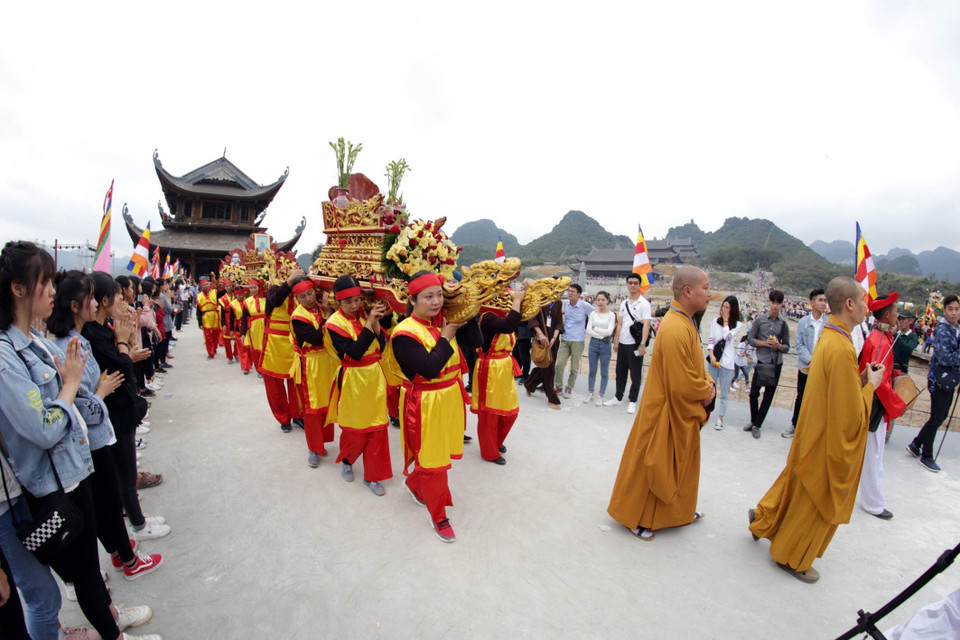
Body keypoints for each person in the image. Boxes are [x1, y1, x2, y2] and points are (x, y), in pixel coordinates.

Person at [0, 241, 160, 640]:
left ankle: (108, 618)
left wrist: (74, 391)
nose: (52, 290)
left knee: (83, 570)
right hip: (51, 481)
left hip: (74, 467)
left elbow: (80, 398)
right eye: (44, 281)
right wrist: (71, 387)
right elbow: (45, 426)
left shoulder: (33, 343)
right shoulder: (6, 355)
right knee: (74, 578)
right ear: (19, 289)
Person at [748, 276, 883, 584]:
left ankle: (764, 521)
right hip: (825, 440)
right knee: (813, 500)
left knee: (795, 485)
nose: (866, 306)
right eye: (862, 300)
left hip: (812, 430)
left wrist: (859, 379)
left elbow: (838, 387)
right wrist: (871, 386)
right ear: (849, 304)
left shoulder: (831, 337)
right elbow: (849, 415)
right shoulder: (841, 346)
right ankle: (792, 557)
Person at [49, 271, 165, 582]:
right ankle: (127, 554)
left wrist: (124, 350)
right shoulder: (75, 344)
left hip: (106, 426)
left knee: (113, 493)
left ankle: (122, 551)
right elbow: (94, 390)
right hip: (97, 431)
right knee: (112, 496)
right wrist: (124, 347)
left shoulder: (84, 338)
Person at [607, 266, 715, 541]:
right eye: (706, 288)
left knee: (682, 463)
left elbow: (694, 366)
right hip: (664, 409)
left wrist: (706, 381)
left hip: (678, 410)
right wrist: (707, 389)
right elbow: (683, 382)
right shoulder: (676, 327)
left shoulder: (685, 320)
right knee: (652, 463)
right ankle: (636, 516)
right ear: (688, 291)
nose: (710, 293)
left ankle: (679, 511)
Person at [389, 271, 481, 542]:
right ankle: (439, 516)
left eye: (440, 295)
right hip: (425, 403)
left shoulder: (443, 322)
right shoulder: (404, 333)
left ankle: (414, 483)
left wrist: (469, 312)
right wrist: (447, 334)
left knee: (436, 454)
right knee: (434, 460)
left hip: (449, 397)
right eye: (428, 297)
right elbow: (429, 369)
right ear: (413, 299)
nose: (436, 301)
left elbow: (476, 343)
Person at [83, 272, 170, 538]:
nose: (123, 297)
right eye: (120, 293)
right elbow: (118, 367)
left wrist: (126, 340)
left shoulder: (105, 328)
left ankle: (137, 518)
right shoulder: (93, 336)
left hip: (123, 407)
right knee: (124, 474)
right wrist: (124, 345)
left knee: (127, 466)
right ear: (106, 298)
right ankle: (138, 525)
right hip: (114, 410)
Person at [324, 275, 392, 495]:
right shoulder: (334, 324)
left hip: (374, 377)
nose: (355, 305)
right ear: (338, 302)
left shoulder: (365, 314)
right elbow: (354, 352)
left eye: (357, 300)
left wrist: (376, 323)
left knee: (378, 427)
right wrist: (370, 323)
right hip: (353, 377)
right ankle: (347, 460)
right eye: (348, 302)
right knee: (354, 428)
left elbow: (380, 345)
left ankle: (373, 476)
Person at [857, 292, 907, 519]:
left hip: (875, 404)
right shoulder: (879, 341)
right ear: (887, 315)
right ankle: (873, 503)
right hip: (875, 406)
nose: (898, 316)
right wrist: (897, 403)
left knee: (872, 455)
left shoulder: (879, 338)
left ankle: (873, 499)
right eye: (896, 312)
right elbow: (875, 378)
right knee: (873, 457)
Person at [471, 287, 525, 465]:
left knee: (509, 412)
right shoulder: (487, 316)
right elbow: (508, 326)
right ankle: (489, 451)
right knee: (489, 414)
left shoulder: (506, 313)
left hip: (504, 368)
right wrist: (517, 301)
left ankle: (496, 442)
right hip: (490, 369)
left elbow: (517, 319)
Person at [907, 294, 960, 473]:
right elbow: (945, 357)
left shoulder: (955, 328)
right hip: (940, 379)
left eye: (957, 309)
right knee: (937, 416)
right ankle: (926, 455)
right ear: (944, 310)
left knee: (940, 416)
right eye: (950, 309)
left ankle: (916, 444)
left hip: (949, 379)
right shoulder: (943, 329)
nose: (954, 313)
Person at [289, 277, 337, 468]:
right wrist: (326, 315)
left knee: (327, 405)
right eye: (303, 296)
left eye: (310, 293)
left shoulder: (320, 307)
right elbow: (317, 339)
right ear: (297, 299)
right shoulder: (298, 317)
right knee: (312, 409)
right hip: (311, 365)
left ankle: (322, 443)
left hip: (327, 362)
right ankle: (313, 448)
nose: (308, 298)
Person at [262, 269, 304, 433]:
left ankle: (298, 416)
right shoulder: (274, 290)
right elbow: (277, 300)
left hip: (294, 343)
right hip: (274, 344)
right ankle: (283, 418)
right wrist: (288, 282)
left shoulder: (300, 293)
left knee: (296, 383)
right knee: (275, 386)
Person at [744, 289, 790, 439]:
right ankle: (754, 420)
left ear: (782, 304)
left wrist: (779, 346)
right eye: (773, 302)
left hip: (776, 363)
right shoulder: (759, 320)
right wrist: (763, 343)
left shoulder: (783, 324)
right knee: (753, 394)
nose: (775, 306)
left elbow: (787, 347)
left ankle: (757, 424)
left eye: (778, 303)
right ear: (769, 302)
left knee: (768, 396)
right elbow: (750, 339)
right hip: (762, 361)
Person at [604, 273, 652, 415]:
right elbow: (620, 324)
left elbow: (646, 325)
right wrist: (616, 341)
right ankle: (618, 396)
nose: (632, 285)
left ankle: (633, 400)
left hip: (635, 345)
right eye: (630, 283)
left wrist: (642, 344)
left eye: (635, 283)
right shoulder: (624, 303)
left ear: (639, 285)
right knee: (620, 371)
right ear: (626, 284)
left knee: (635, 373)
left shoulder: (644, 304)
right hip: (623, 343)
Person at [785, 288, 828, 438]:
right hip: (805, 367)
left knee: (819, 399)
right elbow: (799, 344)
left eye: (825, 300)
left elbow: (829, 345)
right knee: (801, 396)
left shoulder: (828, 323)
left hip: (822, 369)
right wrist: (811, 360)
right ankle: (795, 424)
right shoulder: (803, 322)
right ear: (812, 303)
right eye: (820, 300)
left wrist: (818, 362)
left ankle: (814, 428)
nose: (823, 303)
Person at [707, 295, 743, 430]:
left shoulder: (738, 325)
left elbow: (728, 337)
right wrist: (711, 355)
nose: (724, 309)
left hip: (727, 362)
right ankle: (706, 413)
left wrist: (726, 321)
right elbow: (711, 340)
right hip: (714, 359)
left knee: (724, 393)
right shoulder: (714, 322)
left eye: (727, 308)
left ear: (733, 310)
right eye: (723, 306)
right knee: (710, 388)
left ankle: (720, 418)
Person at [554, 284, 593, 398]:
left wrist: (591, 328)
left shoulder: (585, 305)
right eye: (569, 291)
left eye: (573, 291)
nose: (569, 293)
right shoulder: (565, 304)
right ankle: (559, 386)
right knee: (559, 364)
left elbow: (596, 314)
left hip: (578, 340)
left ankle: (569, 388)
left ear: (579, 294)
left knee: (574, 367)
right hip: (565, 339)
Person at [524, 300, 563, 409]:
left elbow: (559, 321)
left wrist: (555, 337)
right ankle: (552, 398)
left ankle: (529, 385)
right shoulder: (539, 300)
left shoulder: (558, 303)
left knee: (546, 365)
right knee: (549, 369)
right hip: (542, 339)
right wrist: (540, 334)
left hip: (554, 341)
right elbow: (532, 319)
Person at [585, 291, 616, 406]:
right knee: (592, 370)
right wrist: (600, 334)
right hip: (593, 344)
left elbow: (609, 331)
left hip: (605, 345)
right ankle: (590, 392)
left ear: (607, 300)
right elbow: (588, 330)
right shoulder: (593, 314)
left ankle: (601, 395)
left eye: (603, 300)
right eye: (598, 300)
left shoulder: (611, 315)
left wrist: (596, 329)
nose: (600, 302)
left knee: (604, 371)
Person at [241, 279, 267, 376]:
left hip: (265, 326)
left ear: (259, 287)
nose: (252, 290)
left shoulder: (266, 299)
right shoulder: (247, 302)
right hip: (254, 329)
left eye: (254, 287)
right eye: (251, 288)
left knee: (266, 347)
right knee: (256, 349)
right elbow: (244, 318)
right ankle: (259, 369)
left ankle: (266, 368)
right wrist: (243, 333)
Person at [196, 277, 220, 359]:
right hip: (205, 317)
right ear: (202, 287)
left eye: (207, 284)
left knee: (215, 335)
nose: (206, 286)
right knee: (208, 336)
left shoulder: (215, 292)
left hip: (215, 315)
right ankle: (210, 353)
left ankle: (214, 348)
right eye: (204, 285)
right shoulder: (199, 296)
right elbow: (198, 310)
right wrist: (199, 322)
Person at [892, 308, 919, 374]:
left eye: (903, 319)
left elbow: (908, 350)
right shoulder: (895, 333)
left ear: (911, 321)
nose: (901, 321)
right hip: (889, 368)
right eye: (899, 319)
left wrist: (896, 336)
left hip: (900, 371)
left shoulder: (912, 336)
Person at [218, 280, 237, 364]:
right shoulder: (223, 299)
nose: (229, 287)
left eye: (230, 286)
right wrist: (223, 324)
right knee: (227, 339)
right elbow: (222, 313)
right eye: (227, 286)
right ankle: (229, 356)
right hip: (227, 318)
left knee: (237, 338)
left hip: (236, 319)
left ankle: (236, 353)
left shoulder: (236, 296)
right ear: (224, 288)